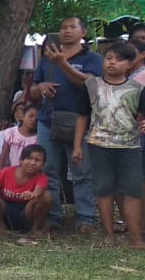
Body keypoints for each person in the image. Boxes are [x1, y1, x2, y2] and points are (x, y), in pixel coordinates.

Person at [29, 17, 102, 233]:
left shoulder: (92, 58)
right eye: (63, 27)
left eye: (73, 27)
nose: (67, 31)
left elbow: (89, 84)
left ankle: (85, 217)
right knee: (49, 170)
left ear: (83, 32)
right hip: (47, 121)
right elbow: (31, 92)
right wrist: (41, 86)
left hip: (79, 122)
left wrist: (63, 64)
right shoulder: (47, 59)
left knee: (81, 171)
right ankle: (53, 216)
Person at [72, 41, 145, 248]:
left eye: (119, 59)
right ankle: (109, 236)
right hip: (98, 144)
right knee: (103, 190)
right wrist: (77, 145)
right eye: (109, 58)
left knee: (132, 191)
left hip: (129, 146)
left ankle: (135, 237)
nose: (112, 63)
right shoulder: (91, 86)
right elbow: (82, 117)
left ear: (130, 64)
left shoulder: (138, 89)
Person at [0, 144, 51, 243]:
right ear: (21, 160)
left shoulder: (41, 177)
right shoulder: (6, 172)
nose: (32, 163)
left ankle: (36, 229)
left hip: (26, 211)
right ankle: (1, 228)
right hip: (6, 208)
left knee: (46, 196)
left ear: (43, 164)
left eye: (37, 160)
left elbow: (39, 189)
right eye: (29, 158)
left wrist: (32, 195)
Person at [0, 104, 39, 169]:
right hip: (11, 171)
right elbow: (3, 155)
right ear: (22, 117)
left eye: (37, 119)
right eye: (31, 116)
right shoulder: (12, 133)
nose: (34, 120)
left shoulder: (37, 139)